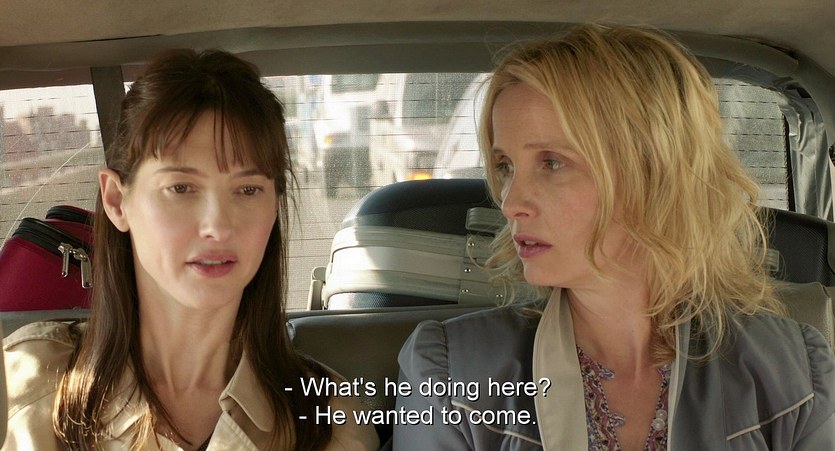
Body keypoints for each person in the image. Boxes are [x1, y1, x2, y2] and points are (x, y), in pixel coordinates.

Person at [394, 24, 834, 450]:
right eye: (505, 166)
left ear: (653, 172)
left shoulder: (796, 376)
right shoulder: (450, 373)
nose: (511, 204)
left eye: (551, 163)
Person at [2, 49, 379, 450]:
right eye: (181, 188)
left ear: (274, 208)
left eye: (248, 190)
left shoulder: (329, 419)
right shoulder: (23, 391)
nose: (217, 226)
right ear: (116, 201)